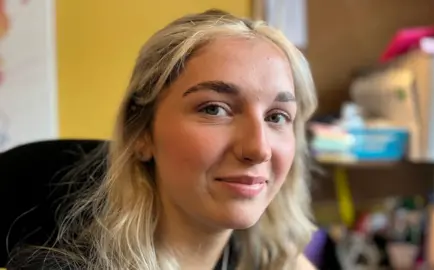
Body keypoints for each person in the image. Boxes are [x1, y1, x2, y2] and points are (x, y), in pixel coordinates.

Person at [8, 9, 318, 270]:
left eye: (277, 116)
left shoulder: (268, 250)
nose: (258, 148)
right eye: (214, 109)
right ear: (141, 133)